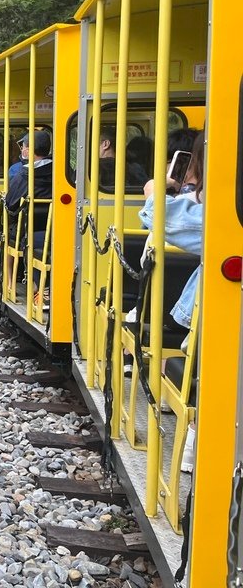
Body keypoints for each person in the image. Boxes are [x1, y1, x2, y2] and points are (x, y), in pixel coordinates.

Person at [138, 131, 204, 472]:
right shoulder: (199, 200)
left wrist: (155, 193)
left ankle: (194, 442)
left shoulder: (217, 212)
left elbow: (166, 223)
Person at [5, 130, 53, 307]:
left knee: (7, 233)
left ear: (29, 149)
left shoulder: (23, 175)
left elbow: (10, 204)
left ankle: (9, 282)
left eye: (24, 147)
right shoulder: (62, 173)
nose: (22, 151)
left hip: (26, 230)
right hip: (54, 228)